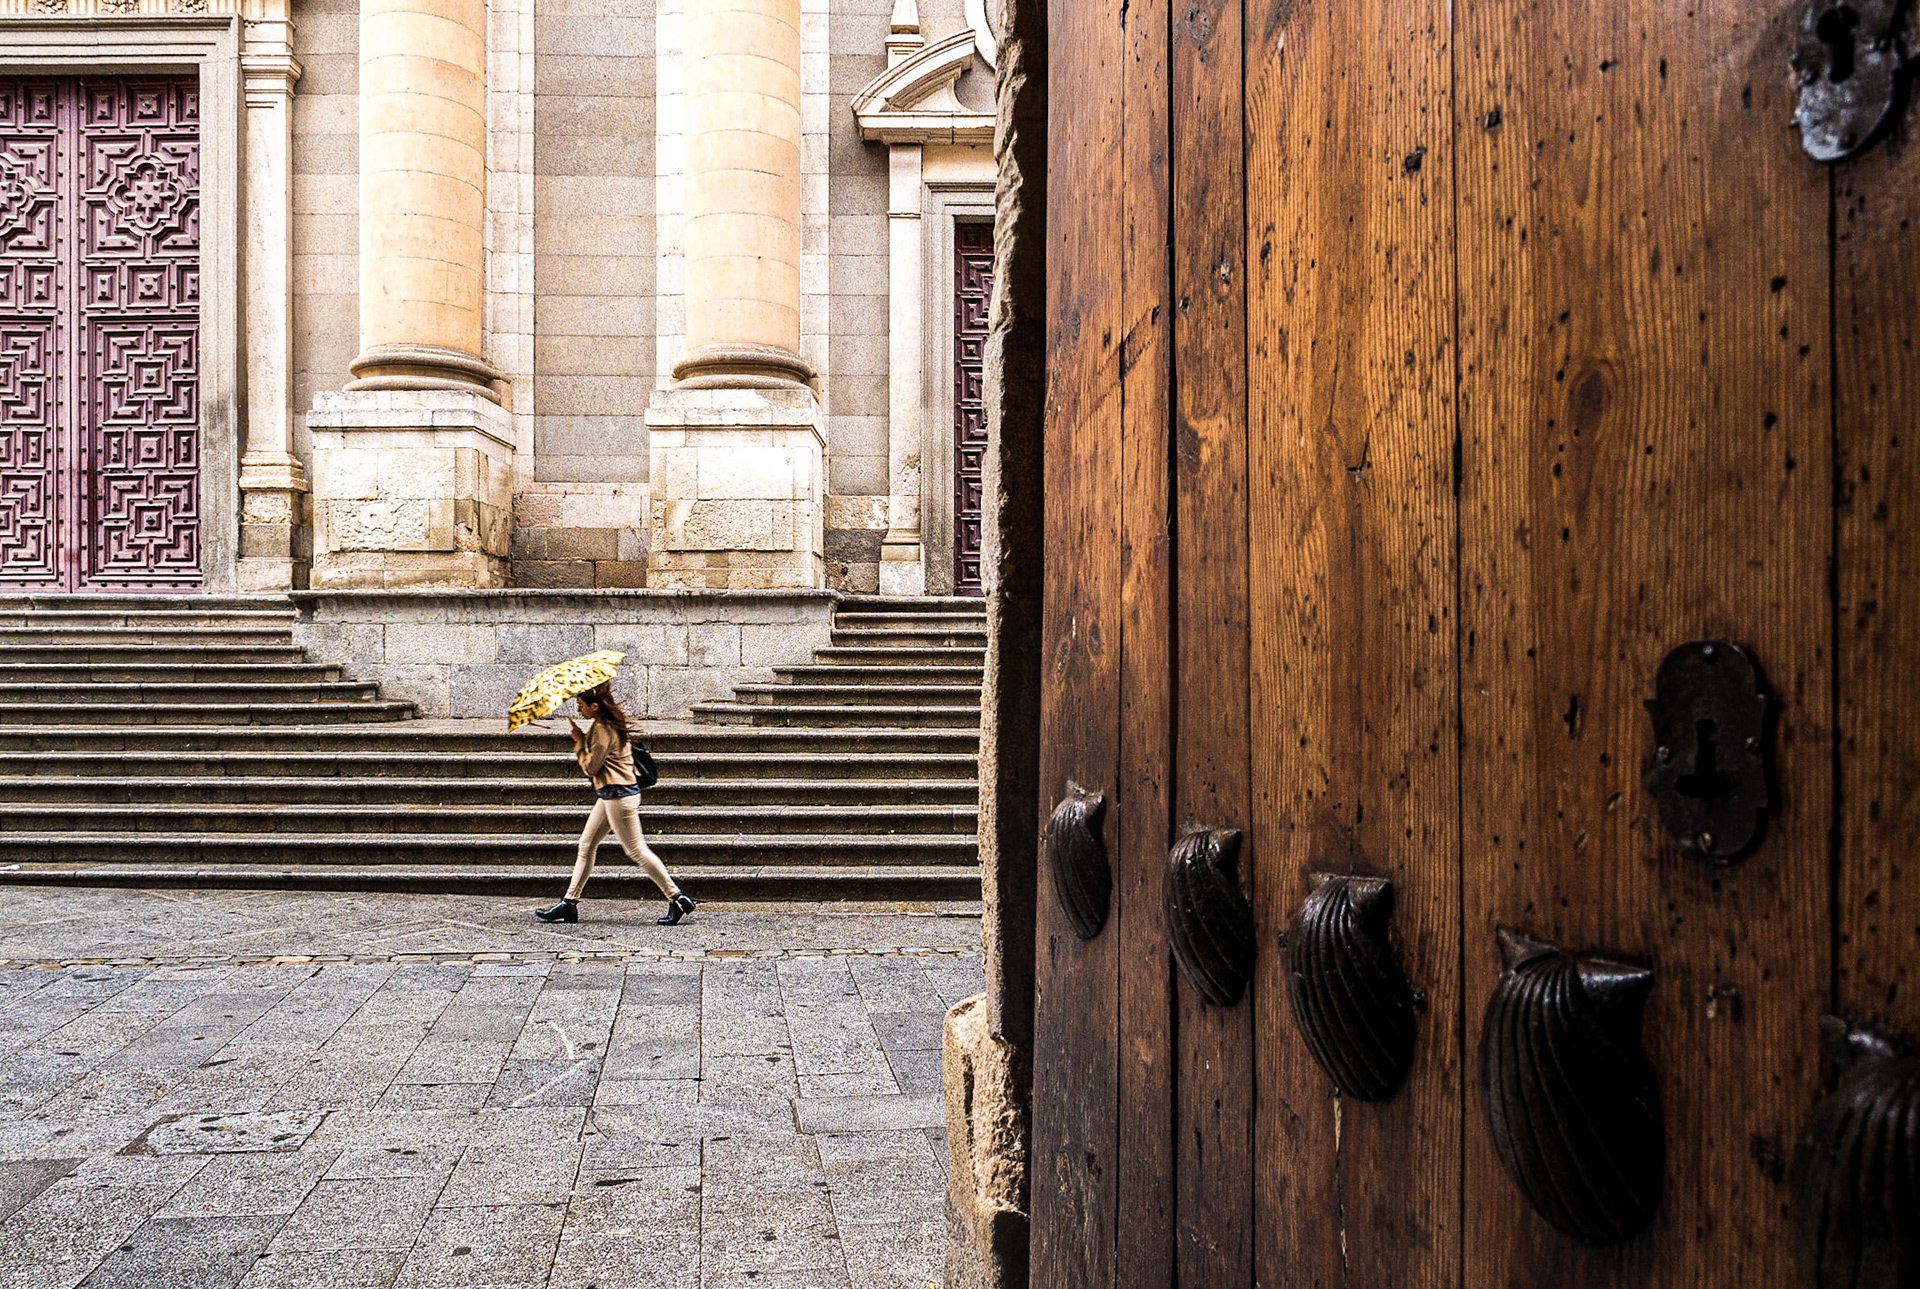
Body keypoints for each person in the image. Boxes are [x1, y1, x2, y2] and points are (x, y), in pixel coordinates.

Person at [535, 682, 696, 926]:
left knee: (636, 850)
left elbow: (591, 767)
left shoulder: (603, 728)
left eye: (581, 706)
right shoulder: (605, 724)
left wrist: (579, 742)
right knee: (586, 844)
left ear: (595, 706)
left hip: (619, 796)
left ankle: (677, 898)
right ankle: (569, 903)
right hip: (611, 794)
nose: (578, 710)